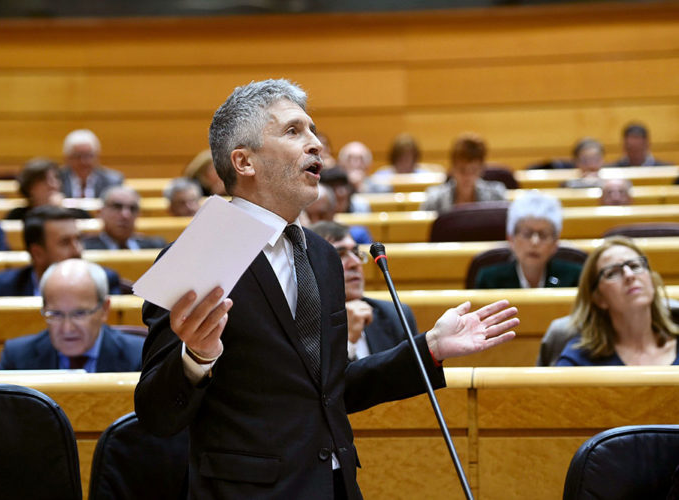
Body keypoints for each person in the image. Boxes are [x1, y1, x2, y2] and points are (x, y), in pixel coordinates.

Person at [134, 79, 518, 499]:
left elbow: (329, 390)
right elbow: (156, 415)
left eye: (313, 130)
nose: (316, 144)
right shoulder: (199, 256)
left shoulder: (320, 254)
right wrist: (196, 358)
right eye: (294, 131)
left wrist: (428, 347)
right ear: (243, 162)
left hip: (335, 485)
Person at [0, 259, 143, 372]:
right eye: (56, 314)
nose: (67, 329)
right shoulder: (17, 358)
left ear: (104, 309)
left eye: (79, 314)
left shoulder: (139, 357)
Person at [556, 236, 679, 366]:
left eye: (635, 266)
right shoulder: (578, 361)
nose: (629, 275)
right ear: (598, 298)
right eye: (613, 273)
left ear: (651, 281)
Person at [311, 221, 414, 360]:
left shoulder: (395, 316)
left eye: (355, 253)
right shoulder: (305, 326)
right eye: (340, 255)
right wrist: (349, 343)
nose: (355, 263)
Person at [0, 205, 122, 296]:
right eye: (65, 242)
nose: (77, 250)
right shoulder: (3, 287)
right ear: (37, 253)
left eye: (78, 239)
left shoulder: (105, 281)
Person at [475, 190, 582, 289]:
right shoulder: (490, 279)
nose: (534, 242)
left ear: (555, 243)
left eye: (543, 235)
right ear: (511, 239)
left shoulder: (574, 278)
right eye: (527, 234)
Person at [419, 132, 506, 213]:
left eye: (473, 170)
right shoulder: (435, 199)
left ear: (481, 169)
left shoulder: (495, 196)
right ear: (452, 168)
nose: (467, 176)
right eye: (462, 170)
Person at [4, 157, 90, 220]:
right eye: (43, 180)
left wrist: (60, 210)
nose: (52, 185)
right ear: (30, 187)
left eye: (55, 178)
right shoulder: (16, 216)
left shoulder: (78, 214)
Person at [82, 186, 166, 250]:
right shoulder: (86, 249)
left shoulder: (156, 247)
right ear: (100, 213)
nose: (126, 215)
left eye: (132, 209)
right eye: (117, 207)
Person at [59, 129, 123, 198]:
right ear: (68, 158)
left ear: (97, 157)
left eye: (88, 156)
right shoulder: (57, 179)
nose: (83, 162)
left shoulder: (112, 181)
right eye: (78, 156)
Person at [304, 184, 372, 244]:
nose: (315, 222)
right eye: (308, 216)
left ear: (333, 211)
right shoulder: (297, 243)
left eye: (322, 215)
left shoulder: (357, 236)